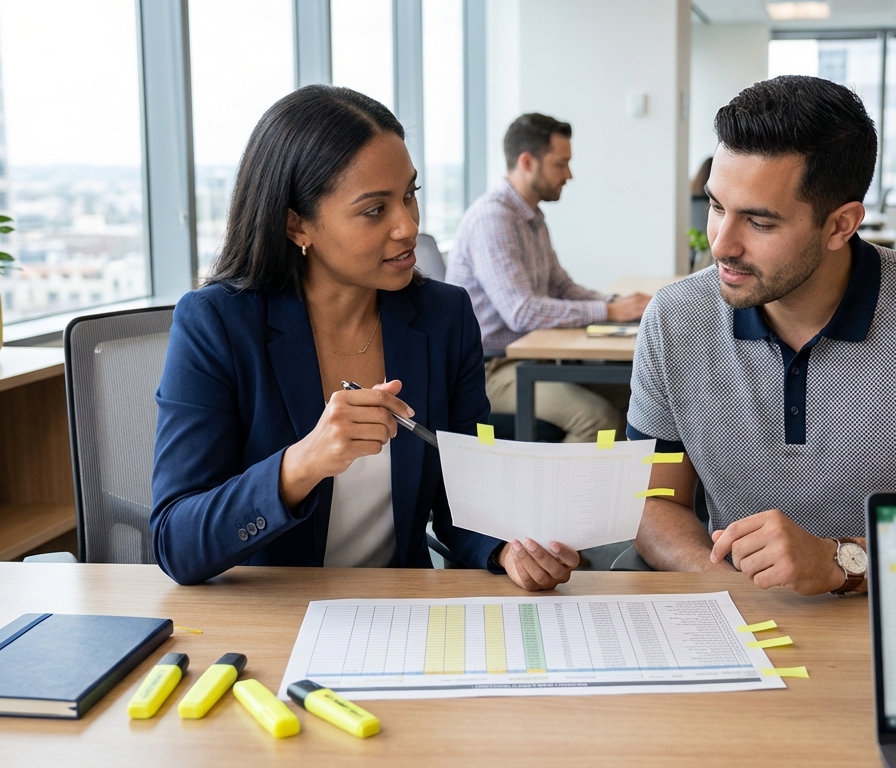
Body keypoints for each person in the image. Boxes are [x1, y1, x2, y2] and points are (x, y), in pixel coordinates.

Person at [151, 86, 578, 590]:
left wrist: (505, 548)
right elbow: (175, 541)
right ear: (296, 224)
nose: (408, 226)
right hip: (269, 612)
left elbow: (463, 498)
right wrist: (302, 463)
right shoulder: (216, 324)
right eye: (375, 210)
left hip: (399, 613)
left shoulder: (444, 316)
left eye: (409, 195)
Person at [627, 76, 896, 595]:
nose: (722, 245)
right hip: (743, 630)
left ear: (841, 225)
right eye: (716, 207)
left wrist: (840, 564)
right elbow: (653, 503)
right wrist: (730, 587)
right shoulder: (672, 317)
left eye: (759, 222)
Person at [446, 113, 651, 443]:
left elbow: (562, 287)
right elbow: (522, 311)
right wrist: (611, 312)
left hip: (531, 361)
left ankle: (629, 494)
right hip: (488, 372)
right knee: (597, 420)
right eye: (561, 163)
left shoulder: (532, 217)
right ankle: (561, 496)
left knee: (640, 397)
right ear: (527, 162)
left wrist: (619, 304)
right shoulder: (492, 220)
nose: (569, 174)